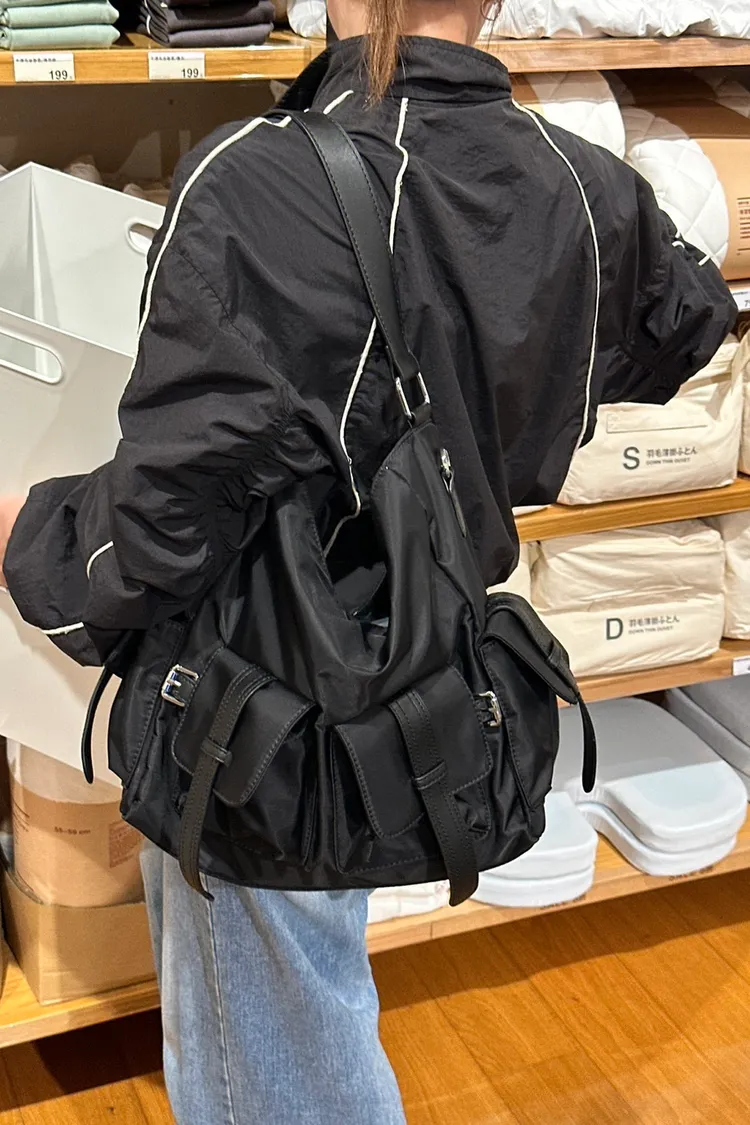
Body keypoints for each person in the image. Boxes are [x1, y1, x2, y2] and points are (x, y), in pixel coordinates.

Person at [0, 0, 737, 1121]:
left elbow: (159, 531)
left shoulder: (254, 181)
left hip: (262, 705)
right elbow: (687, 321)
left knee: (275, 1053)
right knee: (307, 1000)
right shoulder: (584, 185)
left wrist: (31, 532)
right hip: (436, 667)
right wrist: (508, 379)